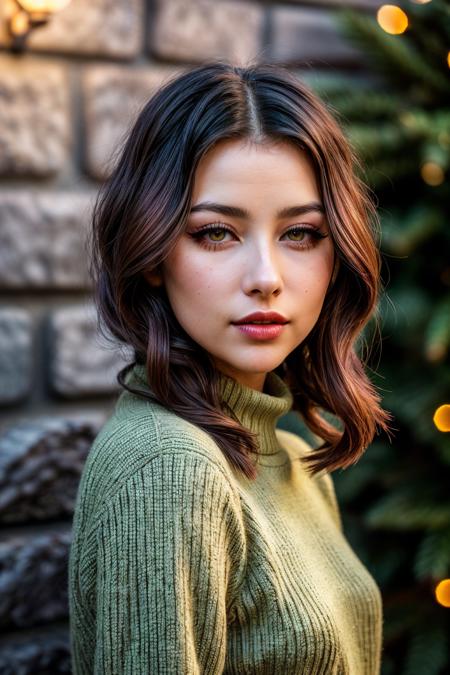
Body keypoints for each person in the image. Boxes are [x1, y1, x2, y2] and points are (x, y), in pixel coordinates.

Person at [68, 60, 394, 674]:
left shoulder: (296, 460)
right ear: (152, 251)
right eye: (217, 233)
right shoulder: (167, 469)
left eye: (300, 233)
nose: (266, 279)